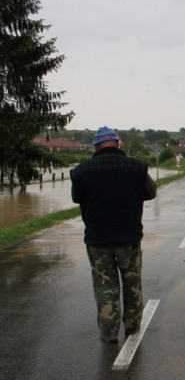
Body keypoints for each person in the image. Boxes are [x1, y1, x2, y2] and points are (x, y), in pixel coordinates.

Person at [70, 126, 157, 343]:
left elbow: (76, 198)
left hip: (98, 240)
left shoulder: (80, 171)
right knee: (132, 284)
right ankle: (132, 326)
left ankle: (109, 333)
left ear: (96, 146)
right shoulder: (136, 168)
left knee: (105, 287)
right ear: (118, 144)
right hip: (128, 237)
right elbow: (151, 192)